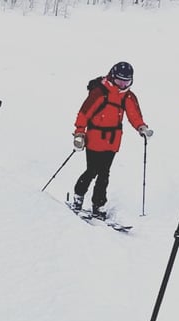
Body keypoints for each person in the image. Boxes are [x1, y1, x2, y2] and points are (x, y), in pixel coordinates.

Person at [71, 61, 153, 220]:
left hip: (113, 141)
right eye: (119, 81)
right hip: (94, 138)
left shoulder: (128, 96)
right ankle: (78, 196)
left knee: (104, 173)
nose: (122, 85)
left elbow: (134, 115)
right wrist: (79, 133)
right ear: (112, 77)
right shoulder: (99, 92)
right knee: (92, 171)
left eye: (126, 82)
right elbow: (84, 113)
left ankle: (98, 205)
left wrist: (141, 128)